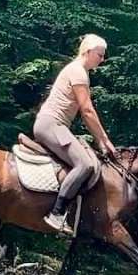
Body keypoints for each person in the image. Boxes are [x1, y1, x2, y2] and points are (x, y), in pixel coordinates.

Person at [34, 34, 116, 234]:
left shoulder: (77, 71)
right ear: (88, 52)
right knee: (86, 164)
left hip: (55, 125)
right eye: (100, 55)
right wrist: (104, 140)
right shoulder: (78, 72)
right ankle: (56, 213)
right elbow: (87, 111)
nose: (102, 60)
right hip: (52, 124)